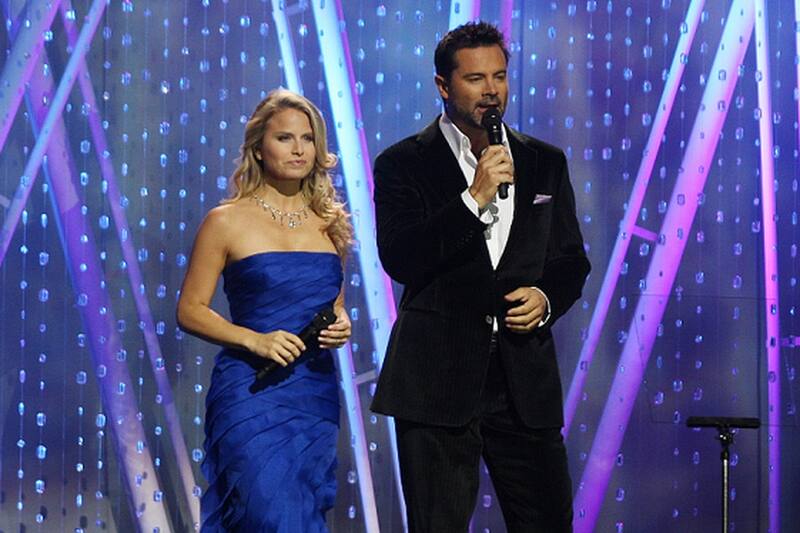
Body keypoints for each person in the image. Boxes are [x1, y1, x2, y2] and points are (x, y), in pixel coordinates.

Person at [371, 22, 591, 532]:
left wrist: (545, 297)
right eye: (475, 79)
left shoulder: (544, 161)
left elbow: (569, 260)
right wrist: (473, 199)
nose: (491, 91)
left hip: (522, 381)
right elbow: (401, 257)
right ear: (443, 86)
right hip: (437, 379)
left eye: (499, 76)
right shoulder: (403, 163)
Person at [176, 89, 353, 532]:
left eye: (307, 139)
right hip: (251, 391)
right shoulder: (226, 220)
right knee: (264, 513)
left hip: (313, 393)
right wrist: (254, 340)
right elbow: (190, 309)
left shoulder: (330, 221)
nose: (298, 149)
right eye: (284, 138)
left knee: (302, 513)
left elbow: (334, 303)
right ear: (258, 148)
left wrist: (342, 323)